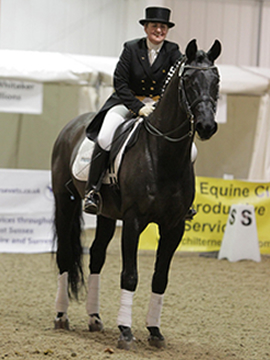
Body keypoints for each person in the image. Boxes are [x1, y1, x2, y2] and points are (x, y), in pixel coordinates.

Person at [83, 6, 182, 214]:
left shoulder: (173, 51)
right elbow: (120, 82)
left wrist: (157, 106)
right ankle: (93, 190)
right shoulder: (131, 48)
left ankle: (183, 198)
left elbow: (176, 84)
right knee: (105, 136)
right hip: (126, 102)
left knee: (189, 150)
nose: (159, 30)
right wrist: (138, 107)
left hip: (158, 107)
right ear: (146, 28)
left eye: (163, 27)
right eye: (154, 26)